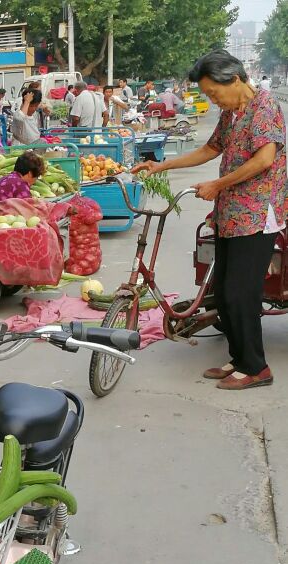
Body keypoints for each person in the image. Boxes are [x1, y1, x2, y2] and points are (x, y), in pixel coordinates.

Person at [132, 49, 287, 390]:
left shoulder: (264, 107)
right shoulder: (232, 113)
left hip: (258, 216)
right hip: (230, 214)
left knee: (241, 294)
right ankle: (239, 358)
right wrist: (162, 165)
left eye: (214, 93)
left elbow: (264, 160)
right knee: (224, 292)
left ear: (234, 79)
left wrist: (218, 184)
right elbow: (210, 149)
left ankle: (257, 368)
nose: (214, 100)